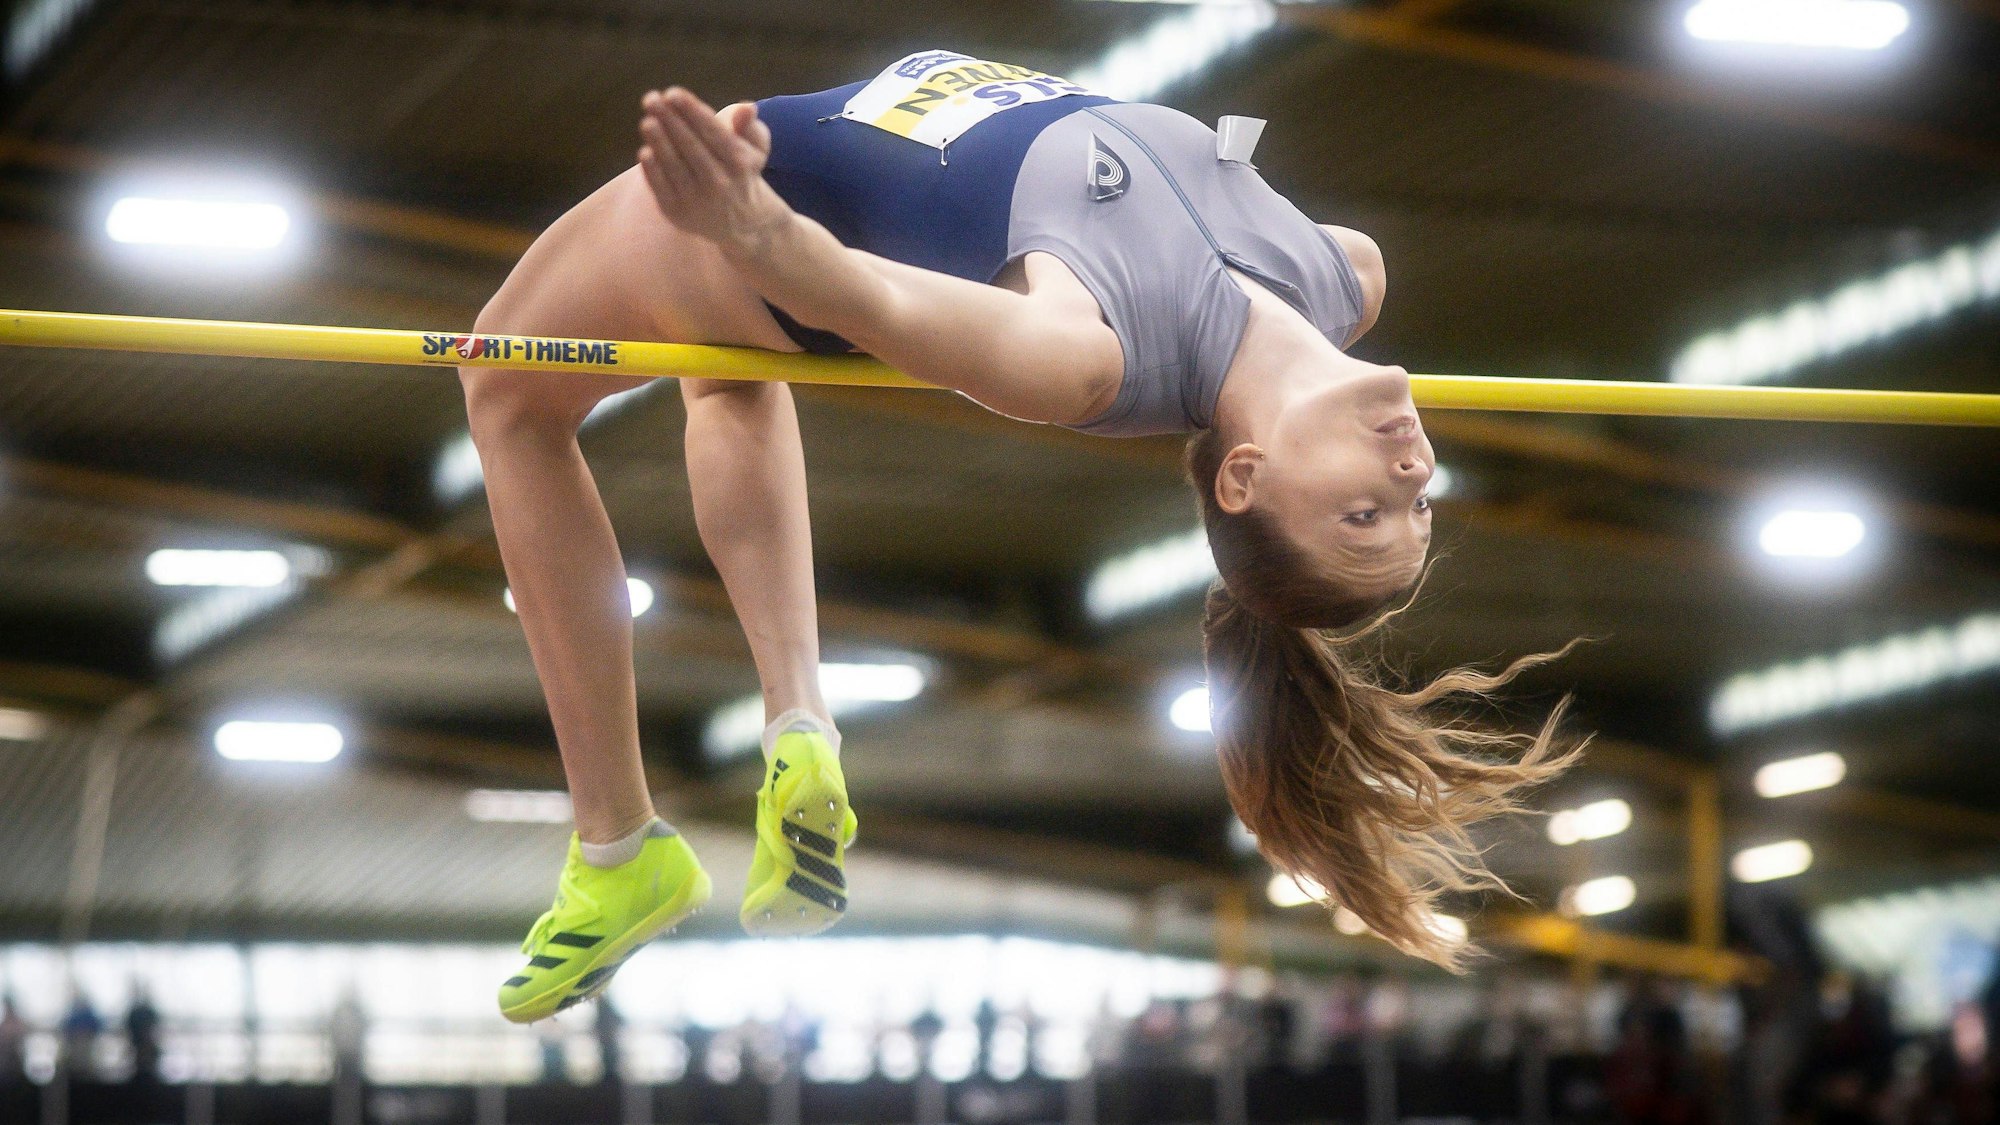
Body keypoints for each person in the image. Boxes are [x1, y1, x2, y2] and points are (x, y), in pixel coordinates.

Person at [468, 50, 1579, 1022]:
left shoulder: (1083, 359)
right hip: (803, 210)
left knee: (505, 385)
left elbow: (875, 306)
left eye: (1361, 514)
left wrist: (752, 225)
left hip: (787, 195)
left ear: (1244, 476)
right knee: (726, 379)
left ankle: (617, 840)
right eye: (1413, 509)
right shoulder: (1343, 276)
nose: (1411, 476)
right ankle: (794, 723)